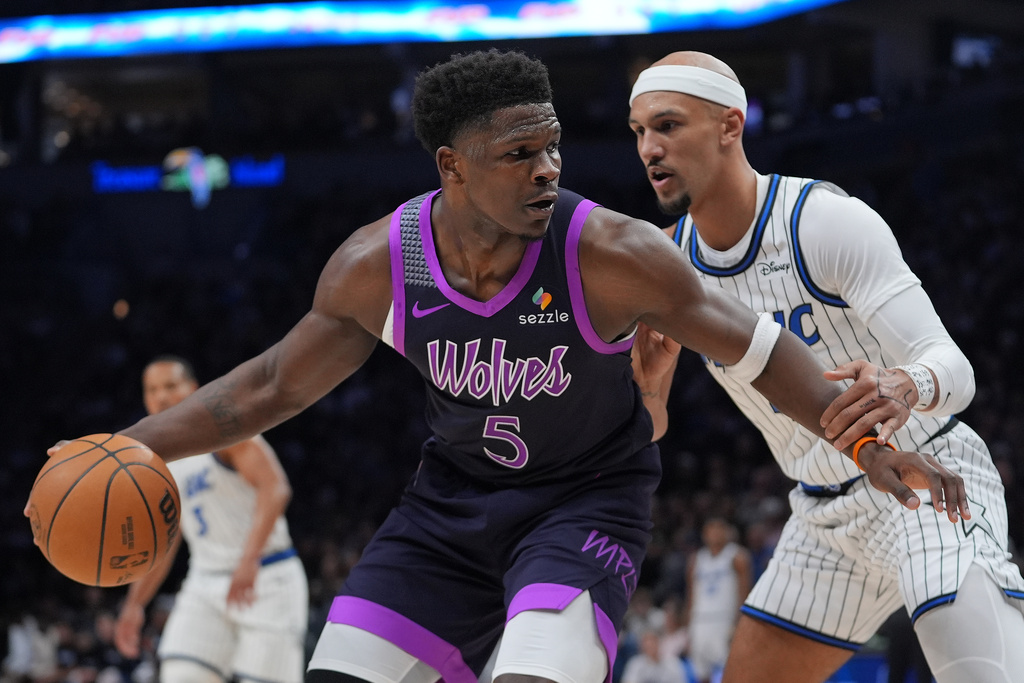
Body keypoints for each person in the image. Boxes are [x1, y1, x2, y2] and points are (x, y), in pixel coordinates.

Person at [37, 49, 968, 683]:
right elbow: (271, 385)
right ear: (452, 166)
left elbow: (758, 346)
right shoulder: (379, 263)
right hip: (447, 511)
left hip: (586, 501)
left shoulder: (612, 250)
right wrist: (133, 444)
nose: (547, 169)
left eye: (553, 145)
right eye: (518, 153)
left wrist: (868, 447)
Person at [627, 50, 1024, 683]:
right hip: (821, 515)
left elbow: (956, 369)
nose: (649, 148)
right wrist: (647, 394)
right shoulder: (670, 271)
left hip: (927, 483)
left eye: (668, 126)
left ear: (731, 125)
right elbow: (646, 433)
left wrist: (906, 382)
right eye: (639, 131)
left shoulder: (824, 222)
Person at [112, 356, 308, 683]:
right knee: (178, 675)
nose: (161, 396)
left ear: (194, 389)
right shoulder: (156, 464)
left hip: (267, 576)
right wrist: (134, 604)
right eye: (152, 389)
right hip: (204, 583)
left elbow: (275, 488)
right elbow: (166, 540)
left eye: (171, 386)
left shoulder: (226, 430)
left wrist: (249, 560)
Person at [682, 519, 750, 683]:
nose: (715, 534)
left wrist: (740, 623)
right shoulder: (696, 559)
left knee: (729, 670)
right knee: (701, 672)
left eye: (719, 529)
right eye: (711, 530)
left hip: (724, 619)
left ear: (727, 532)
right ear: (704, 535)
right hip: (700, 620)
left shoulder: (737, 556)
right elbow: (691, 596)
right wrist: (688, 628)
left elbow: (745, 592)